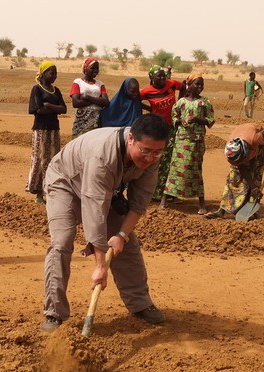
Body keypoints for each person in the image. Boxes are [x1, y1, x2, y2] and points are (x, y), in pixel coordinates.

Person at [41, 114, 170, 331]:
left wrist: (121, 236)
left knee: (128, 245)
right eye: (145, 151)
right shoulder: (101, 155)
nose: (149, 158)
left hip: (104, 189)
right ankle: (54, 313)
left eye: (157, 152)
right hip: (66, 182)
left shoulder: (152, 158)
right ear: (131, 139)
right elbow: (94, 211)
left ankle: (140, 303)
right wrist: (101, 266)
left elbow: (139, 205)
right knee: (62, 242)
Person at [160, 74, 214, 214]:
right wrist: (178, 121)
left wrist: (198, 119)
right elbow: (174, 116)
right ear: (189, 85)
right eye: (197, 84)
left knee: (195, 170)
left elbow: (211, 121)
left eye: (202, 84)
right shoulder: (181, 102)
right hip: (181, 141)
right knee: (175, 168)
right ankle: (164, 200)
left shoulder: (205, 102)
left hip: (196, 141)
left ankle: (201, 203)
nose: (200, 87)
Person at [205, 124, 264, 219]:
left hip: (257, 146)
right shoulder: (231, 151)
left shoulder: (255, 139)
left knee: (256, 174)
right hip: (243, 141)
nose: (242, 163)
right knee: (233, 178)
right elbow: (242, 168)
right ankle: (221, 210)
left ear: (246, 153)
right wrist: (252, 187)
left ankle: (253, 209)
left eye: (242, 160)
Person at [140, 65, 186, 200]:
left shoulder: (171, 84)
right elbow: (135, 99)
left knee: (171, 159)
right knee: (157, 158)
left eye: (163, 75)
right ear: (151, 78)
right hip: (157, 128)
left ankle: (168, 192)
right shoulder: (147, 92)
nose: (162, 78)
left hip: (172, 127)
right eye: (158, 76)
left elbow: (183, 87)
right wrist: (149, 108)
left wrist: (179, 103)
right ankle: (154, 192)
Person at [27, 61, 67, 204]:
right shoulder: (36, 89)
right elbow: (37, 109)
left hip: (54, 129)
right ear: (43, 74)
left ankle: (50, 191)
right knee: (40, 159)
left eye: (56, 73)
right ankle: (38, 193)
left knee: (53, 160)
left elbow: (64, 109)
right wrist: (54, 109)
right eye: (52, 73)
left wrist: (49, 105)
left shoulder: (56, 91)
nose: (54, 76)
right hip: (41, 129)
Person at [69, 57, 109, 138]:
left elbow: (106, 102)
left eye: (97, 68)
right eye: (92, 68)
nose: (95, 70)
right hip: (81, 121)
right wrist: (97, 100)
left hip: (96, 121)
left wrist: (87, 97)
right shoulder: (77, 82)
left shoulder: (100, 84)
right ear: (85, 68)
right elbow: (76, 103)